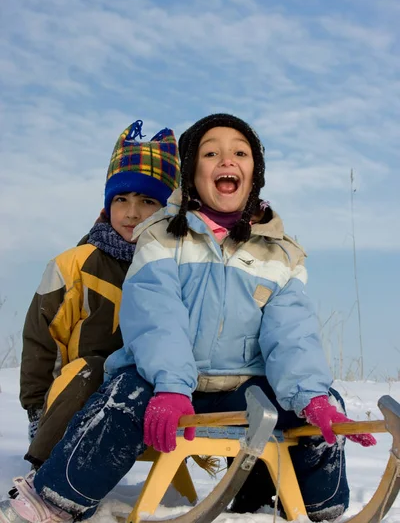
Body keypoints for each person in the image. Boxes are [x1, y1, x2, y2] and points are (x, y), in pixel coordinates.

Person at [0, 113, 375, 523]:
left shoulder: (279, 252)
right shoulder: (162, 236)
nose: (226, 160)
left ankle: (315, 508)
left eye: (239, 153)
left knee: (317, 405)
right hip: (167, 384)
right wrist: (172, 385)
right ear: (193, 172)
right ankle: (57, 497)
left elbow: (292, 334)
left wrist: (309, 395)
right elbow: (157, 316)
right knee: (125, 394)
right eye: (211, 153)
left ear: (255, 173)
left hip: (242, 385)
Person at [18, 120, 180, 469]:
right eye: (121, 199)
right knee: (91, 368)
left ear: (168, 208)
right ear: (108, 205)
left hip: (153, 394)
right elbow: (42, 339)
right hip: (81, 394)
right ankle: (47, 474)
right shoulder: (74, 265)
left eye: (148, 200)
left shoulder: (181, 266)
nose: (132, 212)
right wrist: (36, 407)